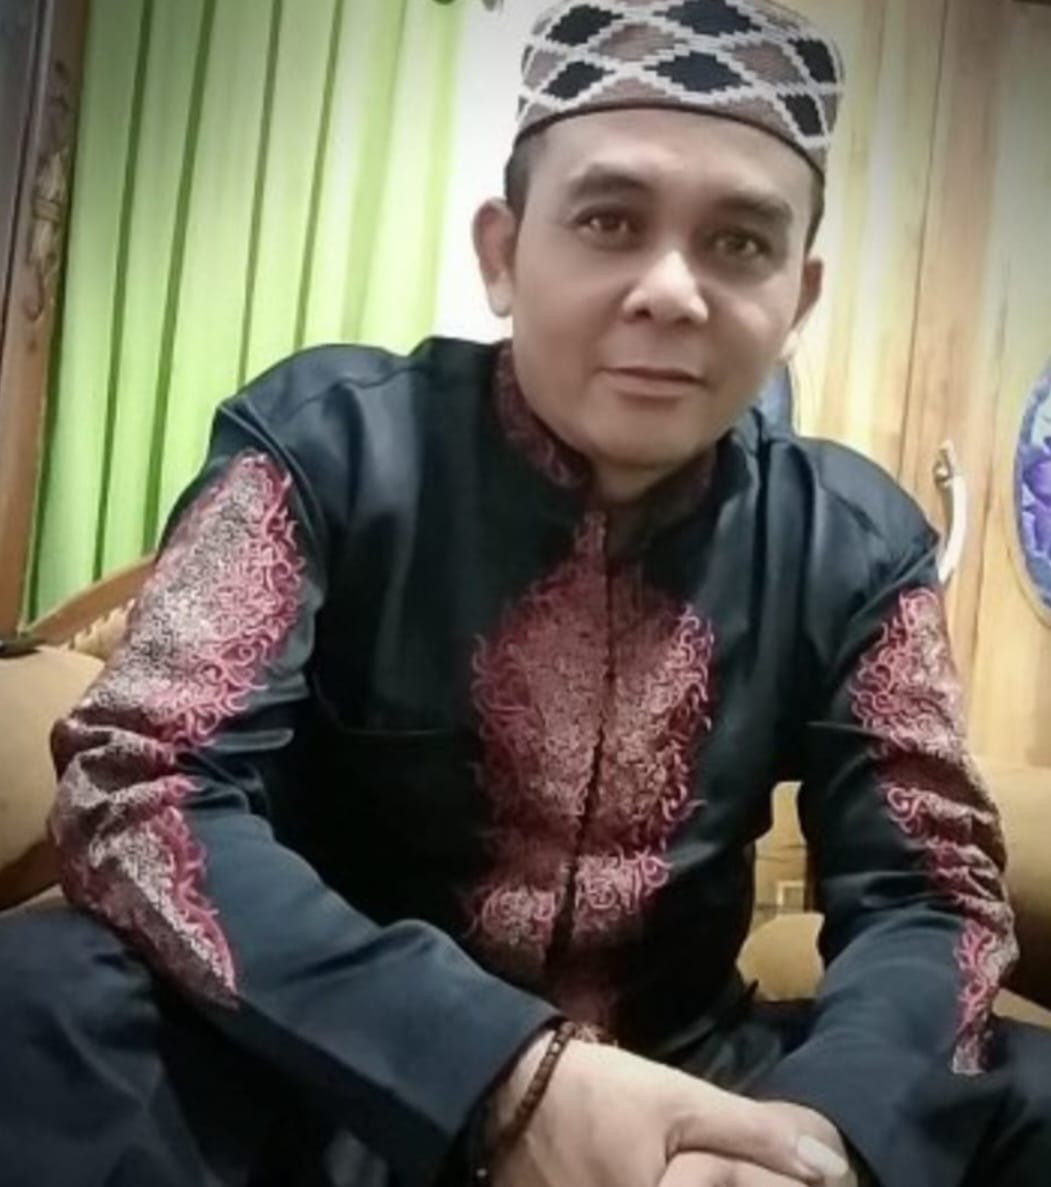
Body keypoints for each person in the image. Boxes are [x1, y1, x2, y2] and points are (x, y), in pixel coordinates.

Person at [1, 1, 1048, 1184]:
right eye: (609, 220)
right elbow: (141, 784)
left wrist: (814, 1142)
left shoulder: (852, 539)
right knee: (43, 1003)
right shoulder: (326, 448)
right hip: (345, 1073)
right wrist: (495, 1070)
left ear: (796, 299)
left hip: (696, 1090)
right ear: (502, 253)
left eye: (739, 243)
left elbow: (932, 895)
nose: (673, 290)